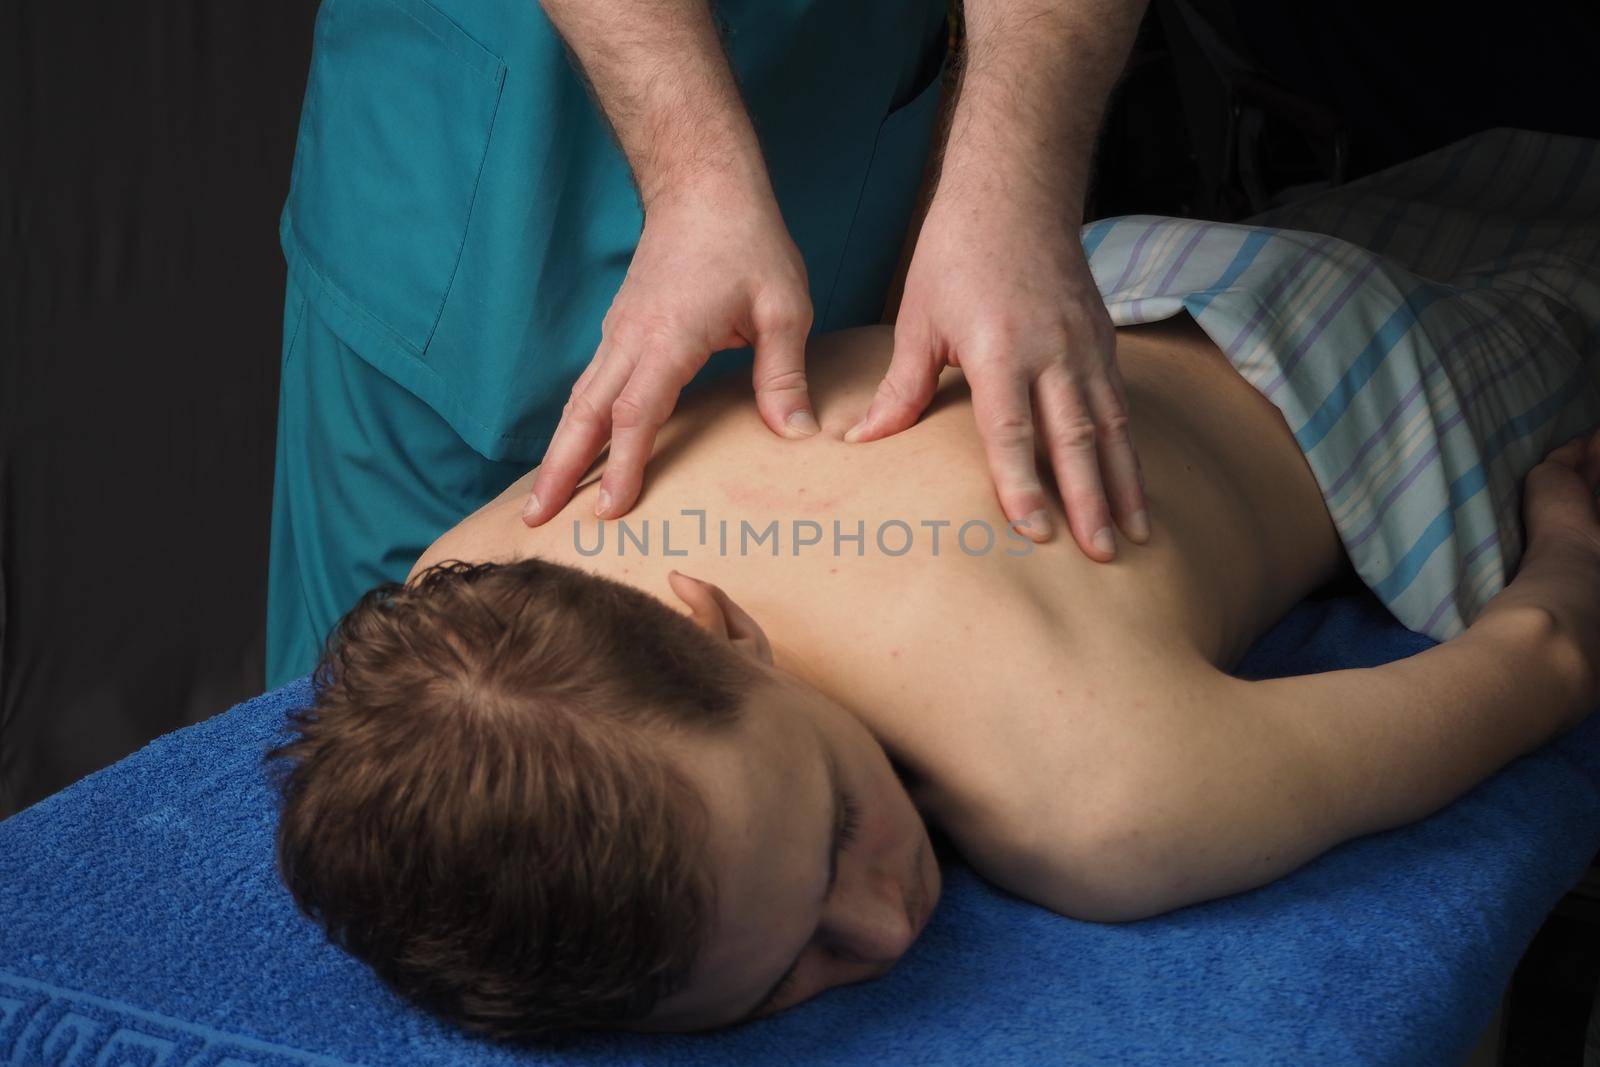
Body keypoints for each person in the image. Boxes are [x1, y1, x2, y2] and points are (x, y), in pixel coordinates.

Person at [265, 0, 1152, 691]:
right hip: (460, 159)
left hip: (831, 119)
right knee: (382, 738)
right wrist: (693, 173)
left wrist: (1016, 179)